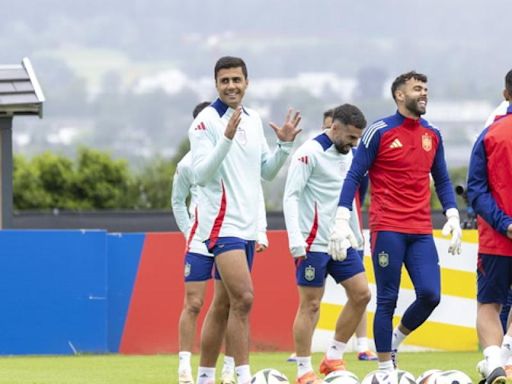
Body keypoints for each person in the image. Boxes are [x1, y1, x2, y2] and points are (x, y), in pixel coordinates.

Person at [329, 71, 462, 372]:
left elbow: (441, 179)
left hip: (420, 230)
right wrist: (341, 218)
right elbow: (353, 175)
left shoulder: (433, 134)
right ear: (400, 95)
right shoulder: (379, 131)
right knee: (386, 299)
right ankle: (384, 370)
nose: (424, 93)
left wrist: (451, 213)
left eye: (426, 88)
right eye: (417, 89)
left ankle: (394, 342)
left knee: (431, 295)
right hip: (387, 228)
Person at [189, 56, 301, 384]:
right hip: (221, 224)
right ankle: (245, 375)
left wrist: (284, 145)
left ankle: (206, 378)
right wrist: (224, 137)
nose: (231, 86)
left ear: (247, 83)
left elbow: (265, 172)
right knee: (245, 298)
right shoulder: (204, 122)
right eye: (224, 81)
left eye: (236, 80)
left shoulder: (252, 120)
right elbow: (200, 174)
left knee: (223, 304)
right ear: (216, 84)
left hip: (248, 226)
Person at [173, 101, 269, 384]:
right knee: (193, 303)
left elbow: (255, 189)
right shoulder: (187, 164)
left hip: (232, 231)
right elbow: (178, 201)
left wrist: (260, 231)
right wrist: (189, 232)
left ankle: (228, 370)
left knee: (228, 303)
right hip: (202, 240)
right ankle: (184, 367)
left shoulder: (235, 156)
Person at [283, 104, 371, 384]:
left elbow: (348, 198)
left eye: (358, 138)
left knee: (361, 294)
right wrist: (296, 239)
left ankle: (333, 356)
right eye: (351, 137)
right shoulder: (308, 154)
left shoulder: (352, 154)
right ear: (334, 128)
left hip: (342, 242)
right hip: (312, 243)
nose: (354, 143)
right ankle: (302, 370)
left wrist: (356, 236)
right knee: (310, 305)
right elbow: (291, 196)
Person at [467, 69, 512, 384]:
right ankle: (507, 361)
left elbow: (476, 191)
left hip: (496, 239)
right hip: (500, 235)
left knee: (489, 304)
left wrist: (505, 224)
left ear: (506, 94)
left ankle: (495, 361)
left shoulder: (490, 134)